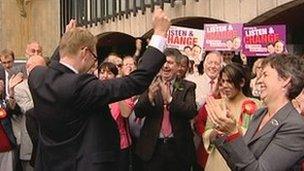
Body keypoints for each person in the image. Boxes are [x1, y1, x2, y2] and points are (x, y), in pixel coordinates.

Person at [28, 8, 170, 171]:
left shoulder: (37, 77)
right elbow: (135, 82)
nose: (93, 63)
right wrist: (159, 34)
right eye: (94, 58)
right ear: (85, 52)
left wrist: (67, 40)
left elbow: (55, 66)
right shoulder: (81, 86)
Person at [206, 53, 304, 170]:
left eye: (265, 75)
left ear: (285, 80)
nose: (258, 80)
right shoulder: (260, 114)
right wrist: (224, 131)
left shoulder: (295, 127)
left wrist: (233, 133)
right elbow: (239, 164)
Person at [134, 48, 197, 171]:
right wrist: (150, 97)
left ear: (178, 66)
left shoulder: (188, 86)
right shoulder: (150, 84)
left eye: (170, 62)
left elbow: (191, 111)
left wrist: (169, 99)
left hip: (178, 149)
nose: (165, 66)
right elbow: (138, 112)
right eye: (163, 62)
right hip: (152, 148)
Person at [203, 63, 261, 171]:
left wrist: (234, 129)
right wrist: (215, 133)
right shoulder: (217, 104)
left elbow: (257, 136)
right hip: (217, 160)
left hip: (243, 159)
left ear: (242, 82)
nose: (224, 85)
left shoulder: (255, 105)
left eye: (229, 81)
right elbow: (206, 133)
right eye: (222, 81)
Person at [12, 55, 47, 171]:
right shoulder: (20, 88)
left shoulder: (52, 85)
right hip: (32, 146)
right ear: (28, 69)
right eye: (37, 68)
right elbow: (28, 109)